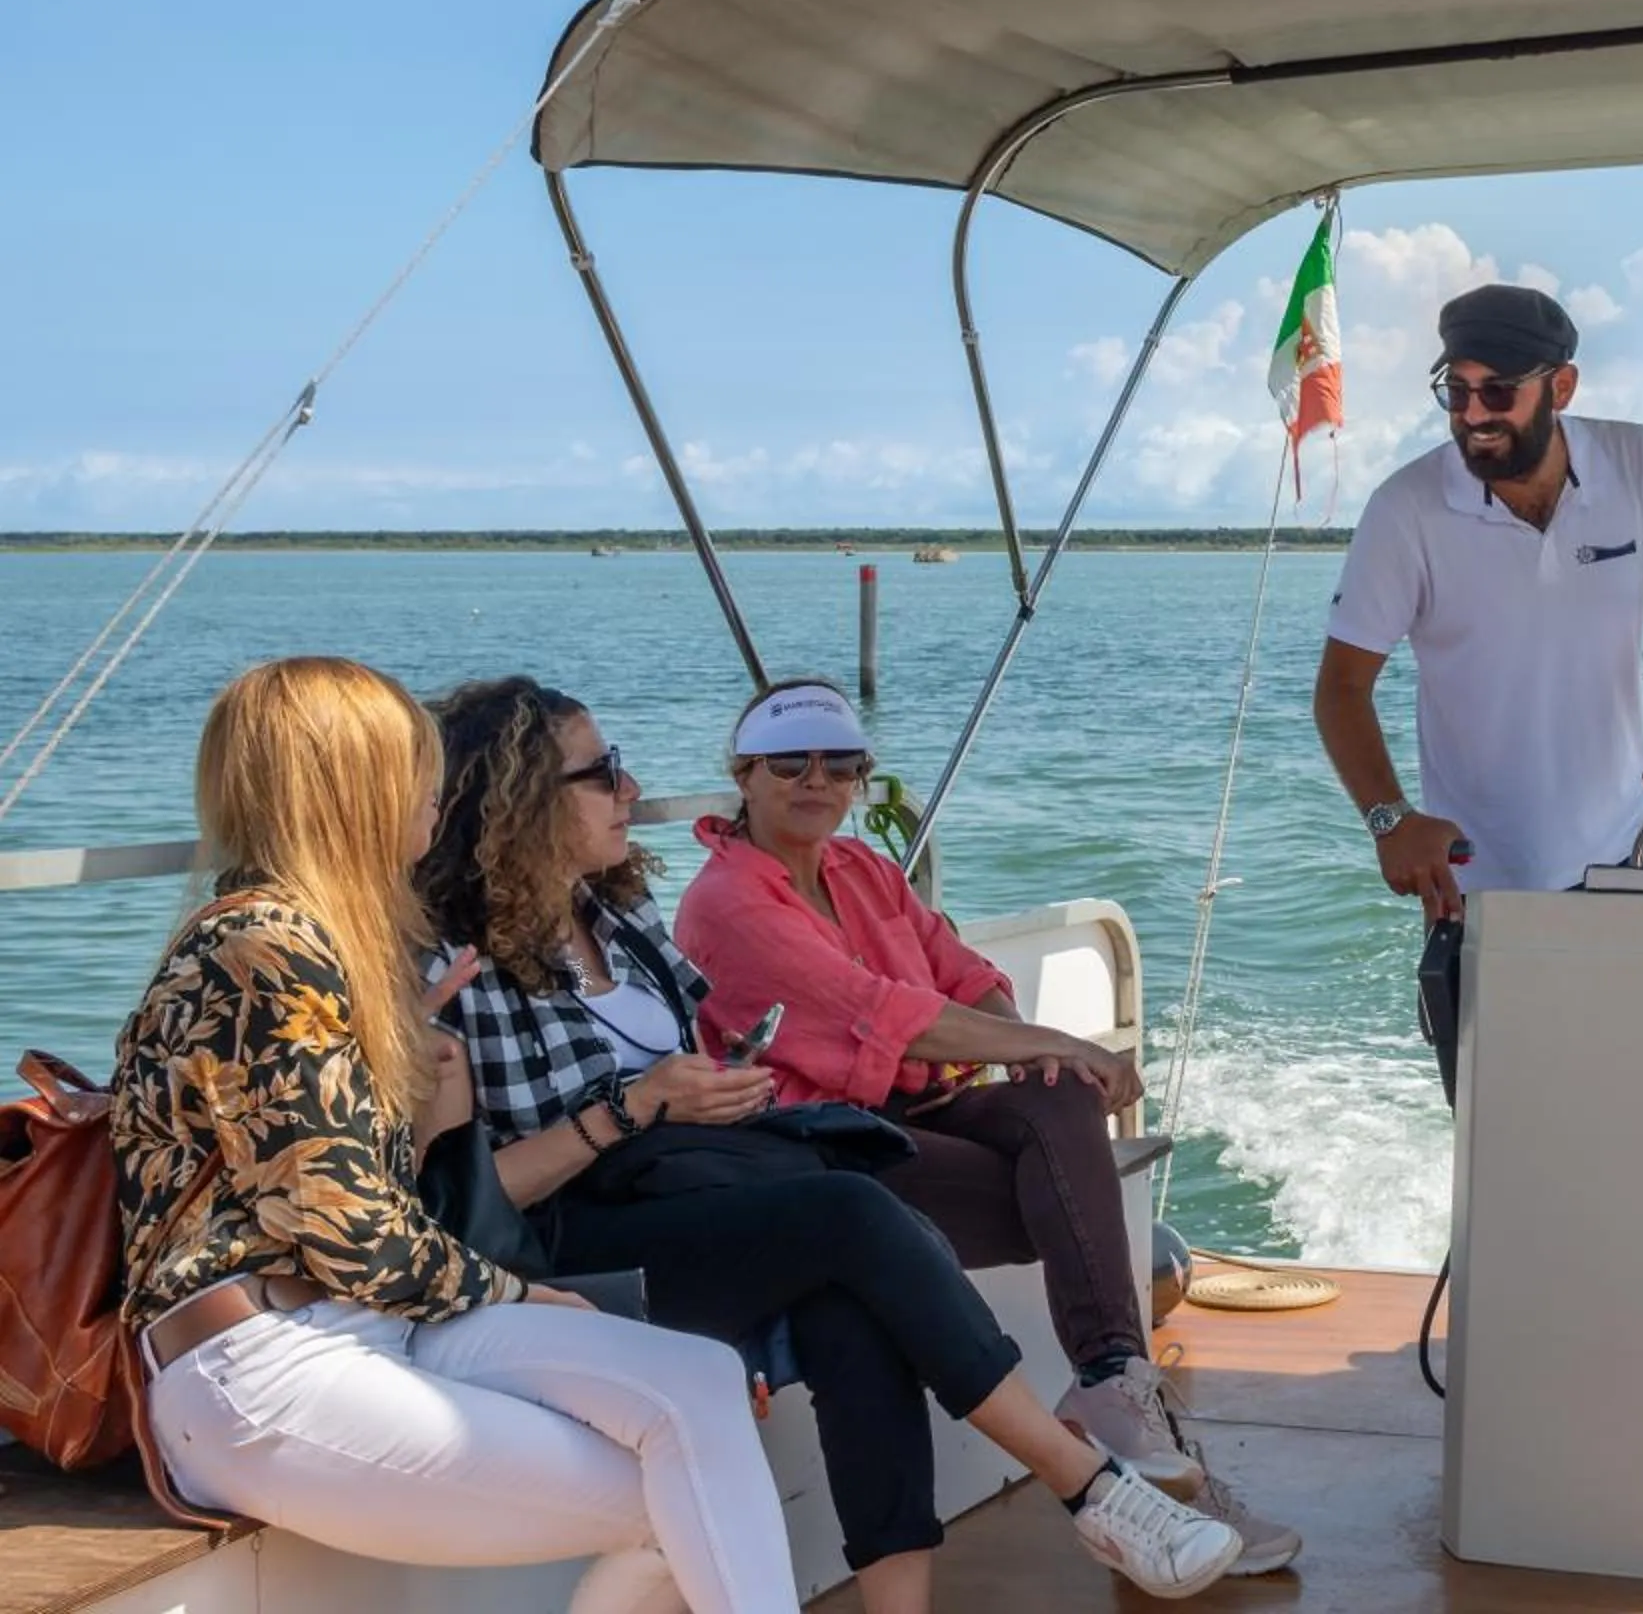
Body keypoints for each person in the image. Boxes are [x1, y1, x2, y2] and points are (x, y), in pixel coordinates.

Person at [414, 677, 1255, 1607]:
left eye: (842, 763)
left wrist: (710, 1091)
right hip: (575, 1236)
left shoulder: (619, 917)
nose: (630, 786)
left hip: (698, 1186)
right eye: (602, 772)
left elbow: (947, 978)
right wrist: (639, 1107)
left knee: (854, 1307)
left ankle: (973, 1542)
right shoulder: (458, 966)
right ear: (523, 798)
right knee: (853, 1212)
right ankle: (1090, 1483)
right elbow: (461, 1204)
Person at [110, 656, 803, 1614]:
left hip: (368, 1324)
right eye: (413, 769)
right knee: (680, 1495)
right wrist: (522, 1293)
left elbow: (336, 1189)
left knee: (702, 1381)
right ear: (352, 787)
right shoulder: (265, 953)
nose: (436, 793)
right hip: (260, 1364)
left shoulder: (330, 941)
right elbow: (347, 1229)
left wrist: (414, 1094)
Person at [671, 679, 1298, 1575]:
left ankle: (1114, 1379)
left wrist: (1034, 1054)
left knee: (1059, 1102)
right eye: (790, 762)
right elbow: (888, 1013)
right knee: (1068, 1192)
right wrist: (1049, 1038)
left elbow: (962, 977)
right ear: (744, 774)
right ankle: (1137, 1445)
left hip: (926, 1105)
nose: (818, 779)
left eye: (841, 764)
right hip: (820, 1144)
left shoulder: (867, 872)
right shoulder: (728, 902)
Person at [1311, 282, 1643, 1095]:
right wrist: (1389, 819)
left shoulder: (1637, 463)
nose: (1474, 413)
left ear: (1562, 387)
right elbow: (1341, 688)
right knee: (1508, 1128)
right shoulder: (1405, 510)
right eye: (1457, 390)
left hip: (1633, 847)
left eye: (1498, 392)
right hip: (1484, 885)